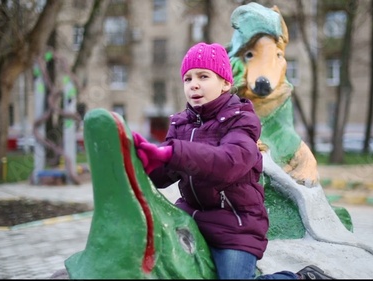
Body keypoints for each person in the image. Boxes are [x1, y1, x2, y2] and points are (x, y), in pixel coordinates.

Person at [132, 42, 334, 280]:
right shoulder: (180, 124)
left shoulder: (242, 120)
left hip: (236, 225)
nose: (193, 84)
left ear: (226, 83)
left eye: (203, 76)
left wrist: (173, 153)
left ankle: (300, 278)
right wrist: (144, 161)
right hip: (192, 217)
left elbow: (229, 163)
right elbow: (164, 177)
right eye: (187, 79)